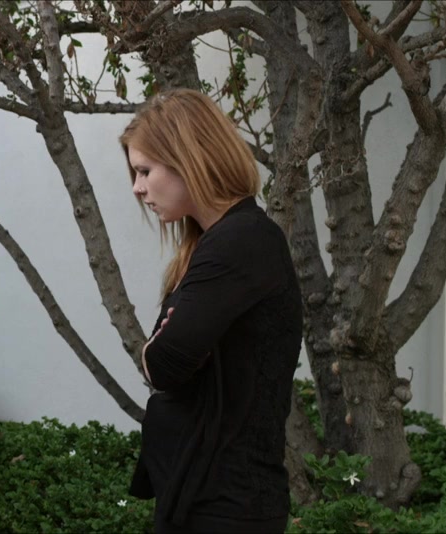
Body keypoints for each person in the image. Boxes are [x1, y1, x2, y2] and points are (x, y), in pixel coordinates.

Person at [121, 88, 303, 533]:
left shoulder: (241, 241)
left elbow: (163, 363)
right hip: (205, 495)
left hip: (226, 504)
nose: (137, 188)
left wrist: (157, 347)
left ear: (187, 159)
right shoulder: (215, 242)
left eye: (144, 170)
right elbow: (167, 356)